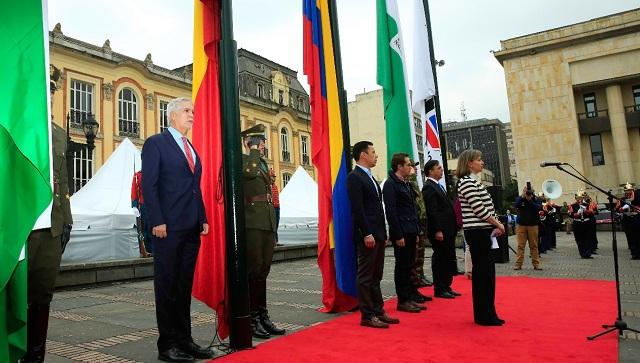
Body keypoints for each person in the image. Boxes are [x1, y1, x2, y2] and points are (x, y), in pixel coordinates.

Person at [142, 97, 214, 362]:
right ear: (172, 116)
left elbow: (194, 188)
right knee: (167, 287)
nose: (192, 115)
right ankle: (167, 345)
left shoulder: (190, 148)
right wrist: (156, 220)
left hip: (191, 226)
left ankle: (185, 341)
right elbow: (148, 186)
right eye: (186, 111)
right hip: (167, 228)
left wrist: (202, 216)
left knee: (183, 287)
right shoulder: (156, 144)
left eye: (193, 111)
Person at [23, 66, 73, 363]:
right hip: (23, 225)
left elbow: (63, 180)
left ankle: (35, 355)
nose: (50, 94)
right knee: (14, 293)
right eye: (45, 89)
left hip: (52, 226)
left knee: (43, 295)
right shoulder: (18, 126)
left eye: (53, 90)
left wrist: (67, 220)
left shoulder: (58, 133)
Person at [347, 141, 398, 328]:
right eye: (373, 152)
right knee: (366, 276)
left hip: (377, 233)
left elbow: (377, 209)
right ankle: (367, 315)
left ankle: (378, 310)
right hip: (367, 235)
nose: (376, 155)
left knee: (376, 275)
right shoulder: (355, 177)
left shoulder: (370, 177)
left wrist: (382, 234)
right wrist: (367, 233)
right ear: (363, 155)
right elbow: (358, 209)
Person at [241, 124, 285, 339]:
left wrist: (273, 226)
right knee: (253, 270)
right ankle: (251, 319)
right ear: (250, 142)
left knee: (263, 271)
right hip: (252, 222)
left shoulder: (262, 163)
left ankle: (262, 316)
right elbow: (248, 175)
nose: (264, 145)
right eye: (261, 142)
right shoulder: (245, 160)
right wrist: (253, 151)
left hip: (266, 222)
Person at [456, 149, 505, 327]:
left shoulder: (474, 182)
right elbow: (479, 209)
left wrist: (495, 223)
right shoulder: (467, 182)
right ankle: (484, 315)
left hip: (483, 231)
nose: (482, 162)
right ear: (470, 163)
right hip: (477, 232)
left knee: (486, 273)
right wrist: (498, 224)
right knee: (483, 274)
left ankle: (488, 312)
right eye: (479, 160)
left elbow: (487, 209)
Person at [383, 153, 425, 313]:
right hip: (401, 232)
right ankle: (403, 300)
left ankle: (409, 297)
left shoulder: (405, 183)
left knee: (409, 265)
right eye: (408, 164)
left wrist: (416, 230)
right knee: (402, 266)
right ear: (399, 167)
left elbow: (413, 209)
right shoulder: (391, 185)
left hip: (410, 230)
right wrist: (398, 234)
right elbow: (391, 212)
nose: (411, 167)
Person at [422, 159, 460, 299]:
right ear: (430, 171)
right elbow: (432, 211)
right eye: (438, 168)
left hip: (448, 229)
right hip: (440, 231)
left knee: (448, 257)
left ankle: (446, 285)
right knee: (440, 258)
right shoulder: (429, 187)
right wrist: (437, 230)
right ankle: (440, 288)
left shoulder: (439, 186)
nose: (441, 170)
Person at [513, 185, 542, 270]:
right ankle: (518, 264)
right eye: (526, 190)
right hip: (521, 225)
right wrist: (523, 197)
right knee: (520, 246)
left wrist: (530, 201)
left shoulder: (537, 199)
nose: (528, 192)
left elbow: (538, 208)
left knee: (534, 246)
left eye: (530, 191)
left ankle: (536, 264)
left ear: (533, 191)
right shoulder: (520, 198)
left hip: (533, 225)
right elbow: (516, 205)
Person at [131, 170, 152, 257]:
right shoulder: (137, 175)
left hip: (155, 205)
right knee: (145, 229)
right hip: (143, 205)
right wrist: (135, 205)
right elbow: (134, 191)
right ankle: (147, 249)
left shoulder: (156, 172)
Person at [617, 183, 640, 260]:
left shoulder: (637, 197)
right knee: (630, 236)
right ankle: (634, 253)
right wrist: (620, 209)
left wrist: (637, 208)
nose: (628, 192)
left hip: (636, 217)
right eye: (626, 190)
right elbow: (617, 208)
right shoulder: (622, 199)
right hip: (627, 218)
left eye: (630, 190)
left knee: (638, 236)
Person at [569, 190, 594, 259]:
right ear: (575, 198)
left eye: (581, 198)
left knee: (588, 238)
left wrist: (587, 212)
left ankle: (588, 253)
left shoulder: (588, 205)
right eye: (578, 198)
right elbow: (570, 214)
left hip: (586, 222)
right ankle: (582, 253)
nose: (579, 199)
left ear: (583, 198)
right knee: (579, 239)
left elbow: (592, 214)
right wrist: (575, 215)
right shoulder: (572, 205)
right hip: (577, 223)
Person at [270, 169, 281, 245]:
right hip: (272, 207)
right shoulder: (268, 186)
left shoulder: (275, 186)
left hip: (277, 207)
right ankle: (273, 241)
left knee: (276, 224)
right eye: (272, 177)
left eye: (274, 177)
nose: (274, 178)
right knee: (272, 225)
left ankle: (276, 241)